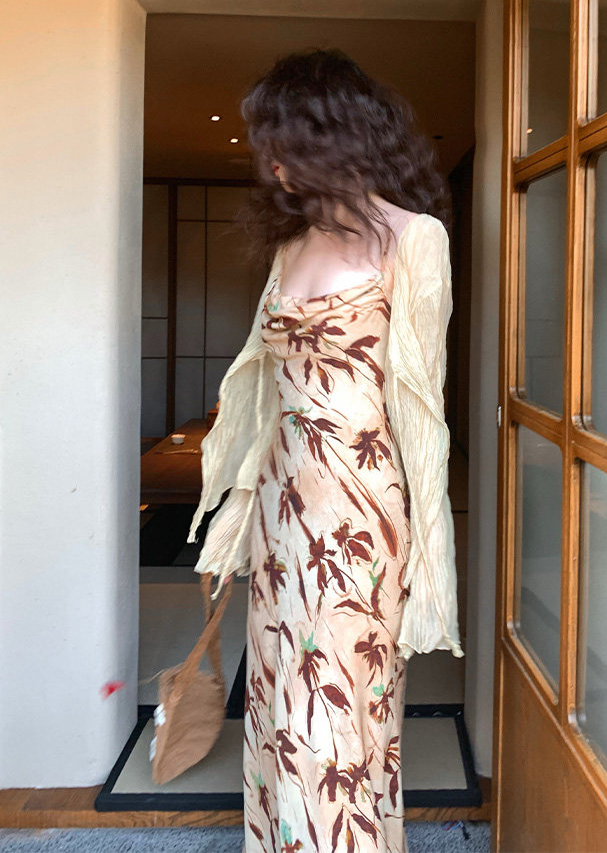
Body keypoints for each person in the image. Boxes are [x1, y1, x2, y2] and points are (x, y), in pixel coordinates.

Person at [188, 48, 462, 853]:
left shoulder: (415, 239)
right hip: (282, 512)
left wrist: (429, 550)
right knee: (280, 707)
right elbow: (266, 390)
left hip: (358, 513)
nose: (272, 165)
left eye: (283, 144)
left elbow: (423, 409)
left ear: (333, 136)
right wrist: (238, 512)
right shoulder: (292, 244)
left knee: (337, 718)